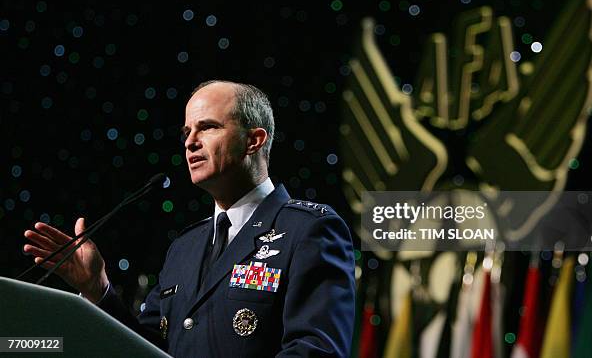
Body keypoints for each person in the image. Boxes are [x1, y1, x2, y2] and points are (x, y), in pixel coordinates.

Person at [23, 80, 356, 357]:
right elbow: (146, 349)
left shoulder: (309, 229)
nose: (190, 142)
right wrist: (99, 290)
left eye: (208, 127)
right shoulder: (185, 247)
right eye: (186, 132)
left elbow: (315, 351)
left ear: (254, 140)